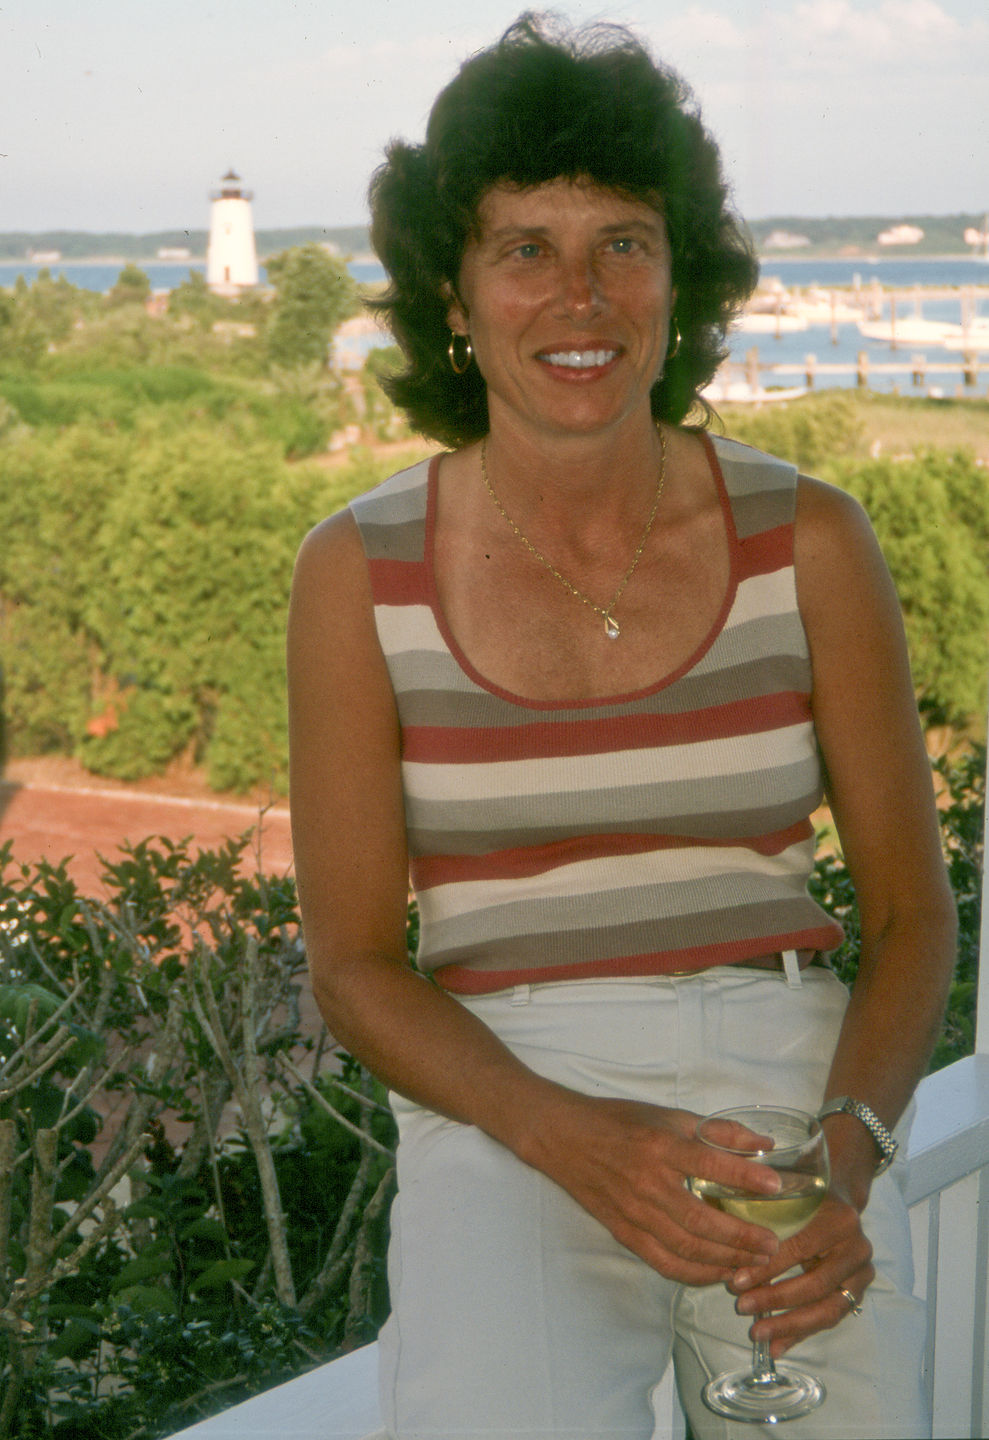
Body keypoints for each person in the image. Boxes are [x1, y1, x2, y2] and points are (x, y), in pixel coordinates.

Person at [287, 15, 956, 1439]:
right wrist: (568, 1139)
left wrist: (845, 1157)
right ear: (452, 299)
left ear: (679, 277)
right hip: (502, 1106)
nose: (577, 295)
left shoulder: (811, 540)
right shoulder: (355, 569)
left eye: (622, 243)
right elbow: (351, 963)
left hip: (786, 1092)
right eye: (523, 247)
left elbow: (908, 915)